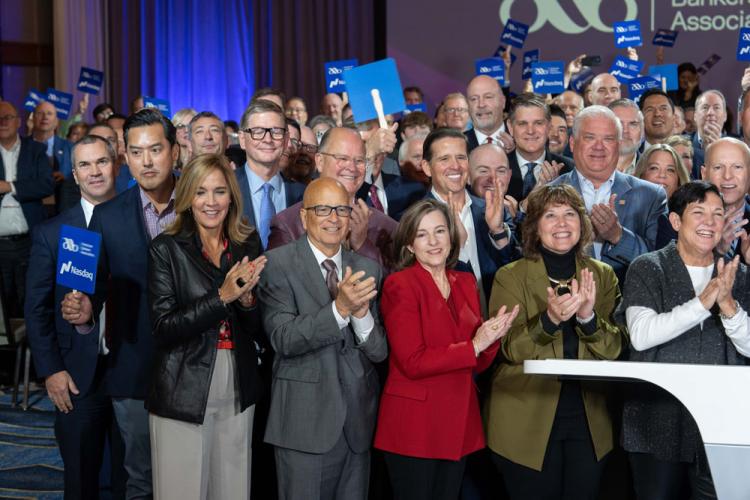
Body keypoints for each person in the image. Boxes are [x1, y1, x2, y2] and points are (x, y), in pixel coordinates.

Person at [61, 108, 181, 498]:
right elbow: (87, 291)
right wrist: (82, 314)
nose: (147, 161)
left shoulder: (203, 205)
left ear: (175, 152)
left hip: (197, 365)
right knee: (140, 479)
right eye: (136, 152)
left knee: (192, 476)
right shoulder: (107, 217)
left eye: (156, 149)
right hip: (133, 370)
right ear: (125, 158)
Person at [374, 198, 518, 500]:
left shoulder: (465, 281)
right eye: (422, 234)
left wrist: (491, 339)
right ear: (410, 245)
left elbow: (475, 361)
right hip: (414, 427)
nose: (433, 241)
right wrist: (476, 344)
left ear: (451, 237)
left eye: (440, 231)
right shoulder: (400, 285)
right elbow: (413, 361)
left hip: (457, 423)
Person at [486, 184, 624, 499]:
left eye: (569, 214)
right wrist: (549, 321)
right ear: (534, 226)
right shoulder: (511, 276)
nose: (561, 224)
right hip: (524, 417)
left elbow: (616, 349)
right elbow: (507, 349)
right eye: (550, 215)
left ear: (582, 222)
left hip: (590, 420)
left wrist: (588, 320)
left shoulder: (602, 276)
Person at [617, 181, 750, 500]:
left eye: (718, 214)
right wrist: (704, 302)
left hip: (721, 426)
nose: (710, 222)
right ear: (675, 221)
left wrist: (728, 305)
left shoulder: (739, 274)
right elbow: (642, 335)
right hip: (656, 422)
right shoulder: (647, 267)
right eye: (698, 212)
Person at [257, 177, 387, 500]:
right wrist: (339, 309)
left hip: (357, 425)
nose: (333, 218)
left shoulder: (368, 268)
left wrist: (360, 316)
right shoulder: (277, 264)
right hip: (304, 426)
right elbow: (283, 338)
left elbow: (379, 351)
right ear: (304, 217)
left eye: (341, 209)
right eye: (323, 209)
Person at [147, 154, 266, 499]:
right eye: (201, 192)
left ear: (232, 196)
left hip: (238, 381)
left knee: (232, 489)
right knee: (181, 491)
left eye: (219, 192)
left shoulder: (247, 243)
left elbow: (259, 329)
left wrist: (247, 303)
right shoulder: (165, 249)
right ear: (187, 197)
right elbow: (163, 326)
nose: (210, 202)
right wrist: (222, 297)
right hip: (183, 383)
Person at [25, 134, 117, 499]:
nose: (95, 172)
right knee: (81, 479)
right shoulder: (52, 233)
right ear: (75, 175)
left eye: (101, 162)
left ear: (115, 165)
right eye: (85, 165)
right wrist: (51, 370)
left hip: (133, 374)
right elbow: (37, 308)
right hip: (76, 376)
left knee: (134, 478)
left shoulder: (142, 223)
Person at [549, 105, 667, 283]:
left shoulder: (651, 196)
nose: (599, 147)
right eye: (590, 138)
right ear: (572, 144)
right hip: (566, 301)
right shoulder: (547, 195)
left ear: (618, 145)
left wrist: (617, 236)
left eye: (608, 139)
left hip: (630, 304)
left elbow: (662, 264)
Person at [268, 127, 397, 268]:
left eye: (359, 161)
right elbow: (277, 283)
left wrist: (362, 245)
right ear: (320, 161)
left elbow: (392, 285)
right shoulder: (288, 224)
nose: (352, 168)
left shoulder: (386, 227)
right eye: (342, 158)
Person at [422, 127, 518, 303]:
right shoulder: (414, 220)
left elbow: (514, 270)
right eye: (444, 159)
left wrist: (498, 232)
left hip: (500, 318)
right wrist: (457, 250)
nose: (455, 166)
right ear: (426, 168)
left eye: (461, 157)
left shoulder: (492, 209)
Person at [0, 100, 54, 317]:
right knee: (3, 309)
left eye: (7, 117)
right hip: (0, 246)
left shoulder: (35, 150)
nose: (2, 122)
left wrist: (9, 186)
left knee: (31, 303)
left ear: (18, 122)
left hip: (29, 242)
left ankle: (31, 350)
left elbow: (46, 184)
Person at [234, 100, 305, 249]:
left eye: (276, 132)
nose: (268, 139)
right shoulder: (225, 188)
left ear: (286, 140)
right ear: (242, 140)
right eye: (258, 132)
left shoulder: (303, 195)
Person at [505, 94, 573, 202]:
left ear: (548, 126)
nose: (530, 131)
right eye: (522, 124)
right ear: (510, 127)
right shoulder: (497, 169)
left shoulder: (570, 170)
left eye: (538, 123)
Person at [465, 76, 515, 153]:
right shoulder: (459, 145)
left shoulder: (521, 141)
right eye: (474, 99)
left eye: (488, 97)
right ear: (468, 105)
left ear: (503, 102)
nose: (481, 104)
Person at [690, 90, 728, 179]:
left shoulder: (737, 146)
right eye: (705, 107)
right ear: (695, 115)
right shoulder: (683, 145)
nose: (710, 113)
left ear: (725, 116)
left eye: (716, 107)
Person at [609, 98, 644, 175]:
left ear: (642, 131)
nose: (625, 131)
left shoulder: (650, 168)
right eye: (618, 124)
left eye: (633, 124)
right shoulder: (584, 167)